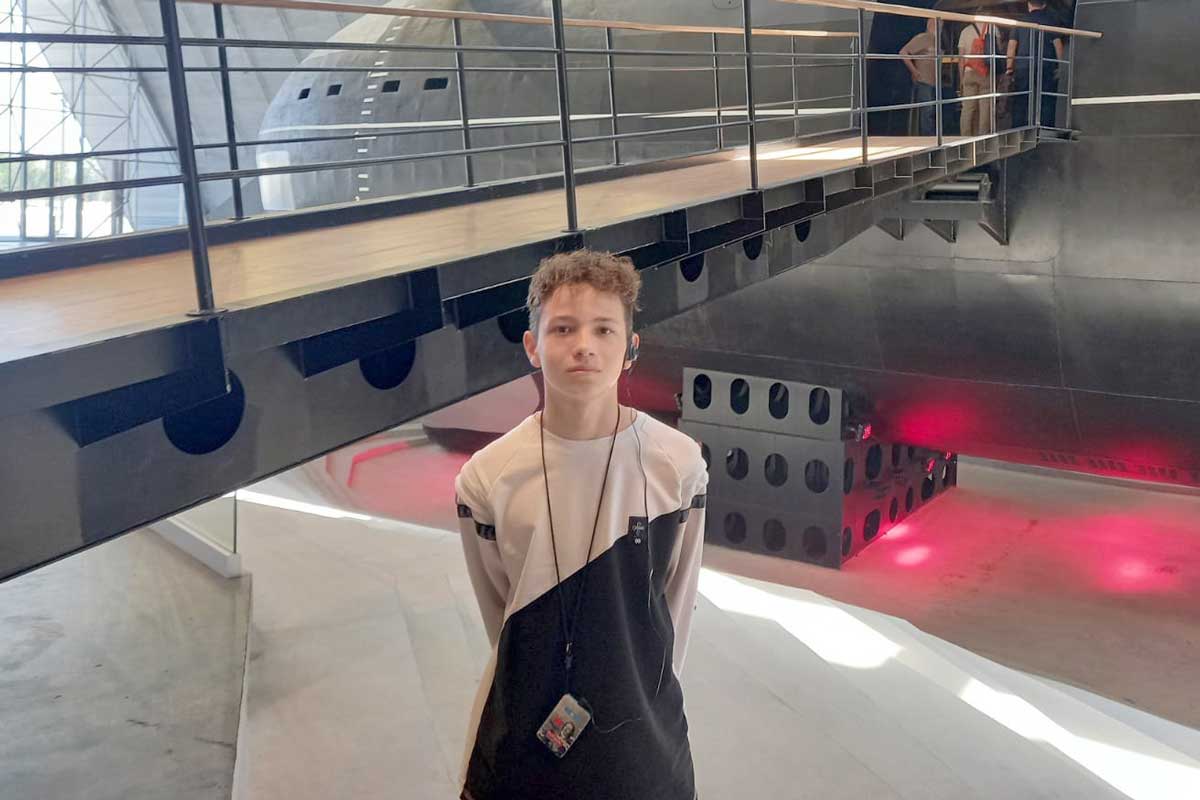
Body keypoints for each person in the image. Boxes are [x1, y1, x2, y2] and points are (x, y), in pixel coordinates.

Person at [454, 249, 709, 800]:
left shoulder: (678, 464)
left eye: (603, 329)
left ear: (630, 348)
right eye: (563, 328)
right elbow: (503, 618)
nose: (584, 345)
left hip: (644, 750)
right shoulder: (487, 477)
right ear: (532, 345)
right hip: (520, 751)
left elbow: (675, 607)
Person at [1006, 0, 1067, 129]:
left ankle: (1018, 128)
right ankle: (1046, 127)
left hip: (1024, 65)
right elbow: (1058, 45)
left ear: (1029, 5)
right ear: (1044, 5)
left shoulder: (1020, 22)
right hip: (1046, 65)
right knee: (1047, 99)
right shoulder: (1051, 21)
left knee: (1021, 99)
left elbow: (1012, 46)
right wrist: (1062, 66)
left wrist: (1009, 67)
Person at [899, 18, 940, 136]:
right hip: (923, 80)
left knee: (932, 109)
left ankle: (932, 134)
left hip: (934, 81)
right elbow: (903, 52)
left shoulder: (936, 40)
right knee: (927, 109)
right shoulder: (922, 38)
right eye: (938, 24)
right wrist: (914, 71)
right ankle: (927, 136)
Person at [958, 20, 994, 136]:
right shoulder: (992, 28)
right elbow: (998, 51)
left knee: (967, 108)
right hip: (985, 73)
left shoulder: (965, 31)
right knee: (985, 108)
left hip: (969, 72)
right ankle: (983, 138)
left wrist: (961, 78)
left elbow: (961, 58)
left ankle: (964, 137)